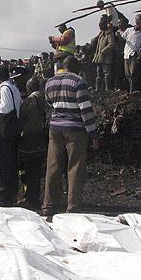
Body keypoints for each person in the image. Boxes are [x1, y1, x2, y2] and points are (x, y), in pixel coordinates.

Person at [41, 56, 99, 217]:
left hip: (55, 128)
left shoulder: (50, 82)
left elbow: (49, 104)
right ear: (77, 68)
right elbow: (86, 110)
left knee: (53, 167)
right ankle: (72, 207)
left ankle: (48, 206)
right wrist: (93, 134)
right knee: (75, 167)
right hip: (75, 129)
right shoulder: (78, 82)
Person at [0, 65, 24, 206]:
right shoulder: (13, 88)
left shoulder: (4, 89)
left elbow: (5, 108)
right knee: (10, 161)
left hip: (3, 128)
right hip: (13, 128)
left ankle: (4, 196)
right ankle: (11, 193)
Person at [18, 77, 48, 209]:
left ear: (29, 88)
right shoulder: (44, 99)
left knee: (29, 171)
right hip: (41, 138)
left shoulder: (28, 102)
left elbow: (21, 118)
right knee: (36, 172)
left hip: (29, 140)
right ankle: (35, 197)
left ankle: (30, 198)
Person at [118, 14, 141, 93]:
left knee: (133, 74)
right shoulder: (129, 30)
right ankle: (131, 90)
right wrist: (118, 35)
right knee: (127, 74)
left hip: (134, 55)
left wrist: (140, 50)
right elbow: (122, 39)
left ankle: (132, 91)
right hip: (126, 54)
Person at [92, 16, 117, 90]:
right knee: (98, 74)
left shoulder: (109, 33)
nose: (100, 27)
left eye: (101, 25)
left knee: (107, 74)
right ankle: (98, 89)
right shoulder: (101, 34)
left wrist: (103, 51)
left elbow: (111, 44)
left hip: (106, 57)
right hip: (99, 57)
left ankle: (107, 89)